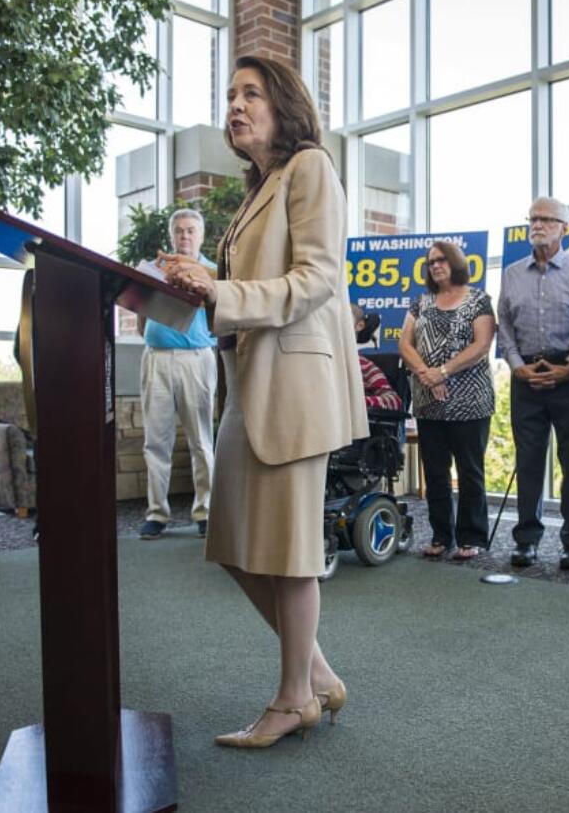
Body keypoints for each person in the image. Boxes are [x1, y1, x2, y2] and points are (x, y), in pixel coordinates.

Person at [162, 55, 367, 747]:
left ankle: (291, 700)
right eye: (229, 95)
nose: (236, 105)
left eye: (250, 93)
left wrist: (218, 291)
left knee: (287, 550)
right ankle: (317, 676)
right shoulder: (259, 188)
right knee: (236, 545)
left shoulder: (310, 167)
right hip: (246, 381)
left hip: (294, 385)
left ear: (283, 104)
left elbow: (315, 279)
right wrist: (195, 286)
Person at [497, 197, 569, 570]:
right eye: (533, 218)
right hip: (525, 375)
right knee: (527, 460)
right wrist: (515, 365)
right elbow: (504, 326)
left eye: (547, 219)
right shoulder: (511, 273)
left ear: (565, 228)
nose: (537, 224)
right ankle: (526, 540)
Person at [398, 240, 496, 560]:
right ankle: (442, 535)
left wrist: (443, 372)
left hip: (470, 401)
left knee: (470, 471)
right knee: (435, 472)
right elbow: (405, 344)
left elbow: (482, 345)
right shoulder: (421, 303)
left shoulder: (478, 300)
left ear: (455, 262)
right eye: (431, 262)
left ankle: (472, 538)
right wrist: (427, 374)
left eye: (441, 259)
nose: (436, 265)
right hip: (428, 401)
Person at [136, 208, 218, 540]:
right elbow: (140, 311)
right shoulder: (155, 269)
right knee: (155, 440)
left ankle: (206, 512)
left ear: (200, 236)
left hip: (196, 359)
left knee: (201, 440)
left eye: (190, 231)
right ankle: (156, 514)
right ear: (172, 235)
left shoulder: (212, 271)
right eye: (179, 231)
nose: (184, 236)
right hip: (155, 358)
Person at [350, 304, 402, 411]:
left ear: (359, 326)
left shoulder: (363, 365)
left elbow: (394, 401)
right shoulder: (316, 363)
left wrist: (358, 402)